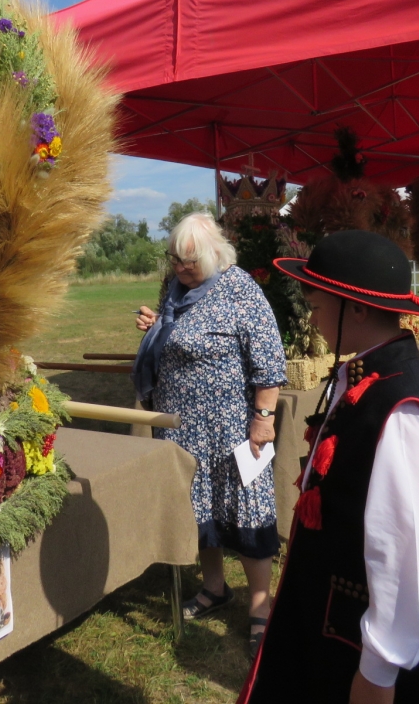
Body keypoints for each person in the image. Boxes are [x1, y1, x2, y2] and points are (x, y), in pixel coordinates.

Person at [241, 230, 419, 704]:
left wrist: (379, 670)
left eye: (317, 305)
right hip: (333, 614)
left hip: (357, 636)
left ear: (358, 308)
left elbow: (403, 548)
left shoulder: (398, 401)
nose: (312, 317)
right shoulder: (369, 373)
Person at [133, 212, 286, 657]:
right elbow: (179, 336)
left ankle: (261, 608)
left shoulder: (240, 289)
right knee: (199, 508)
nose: (181, 268)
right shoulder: (176, 289)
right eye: (175, 260)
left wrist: (263, 418)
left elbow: (268, 359)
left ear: (215, 253)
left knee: (248, 511)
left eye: (190, 261)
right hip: (182, 427)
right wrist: (157, 326)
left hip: (232, 429)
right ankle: (215, 589)